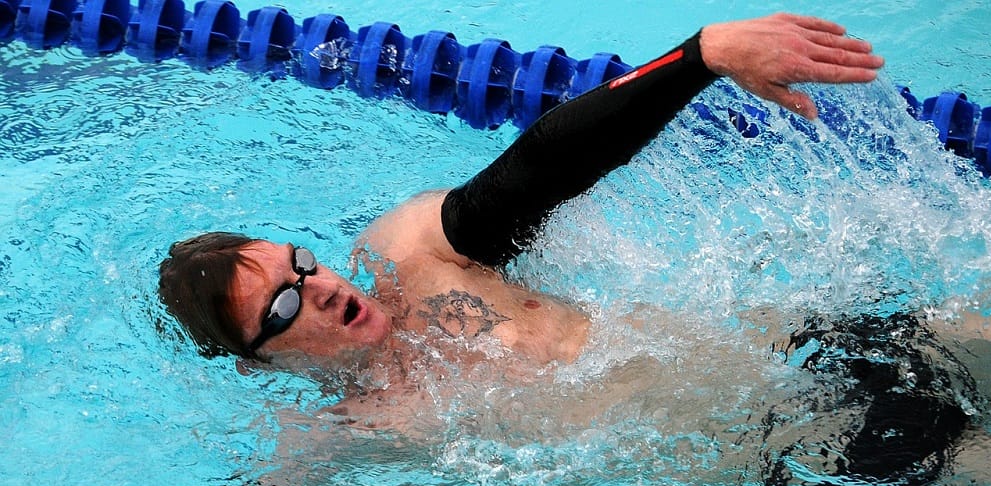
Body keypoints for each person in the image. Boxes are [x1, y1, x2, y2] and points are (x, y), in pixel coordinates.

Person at [159, 13, 891, 415]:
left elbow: (537, 173)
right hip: (782, 440)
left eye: (301, 264)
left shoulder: (410, 257)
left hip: (794, 342)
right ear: (258, 362)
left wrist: (699, 56)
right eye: (285, 305)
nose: (318, 287)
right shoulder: (362, 428)